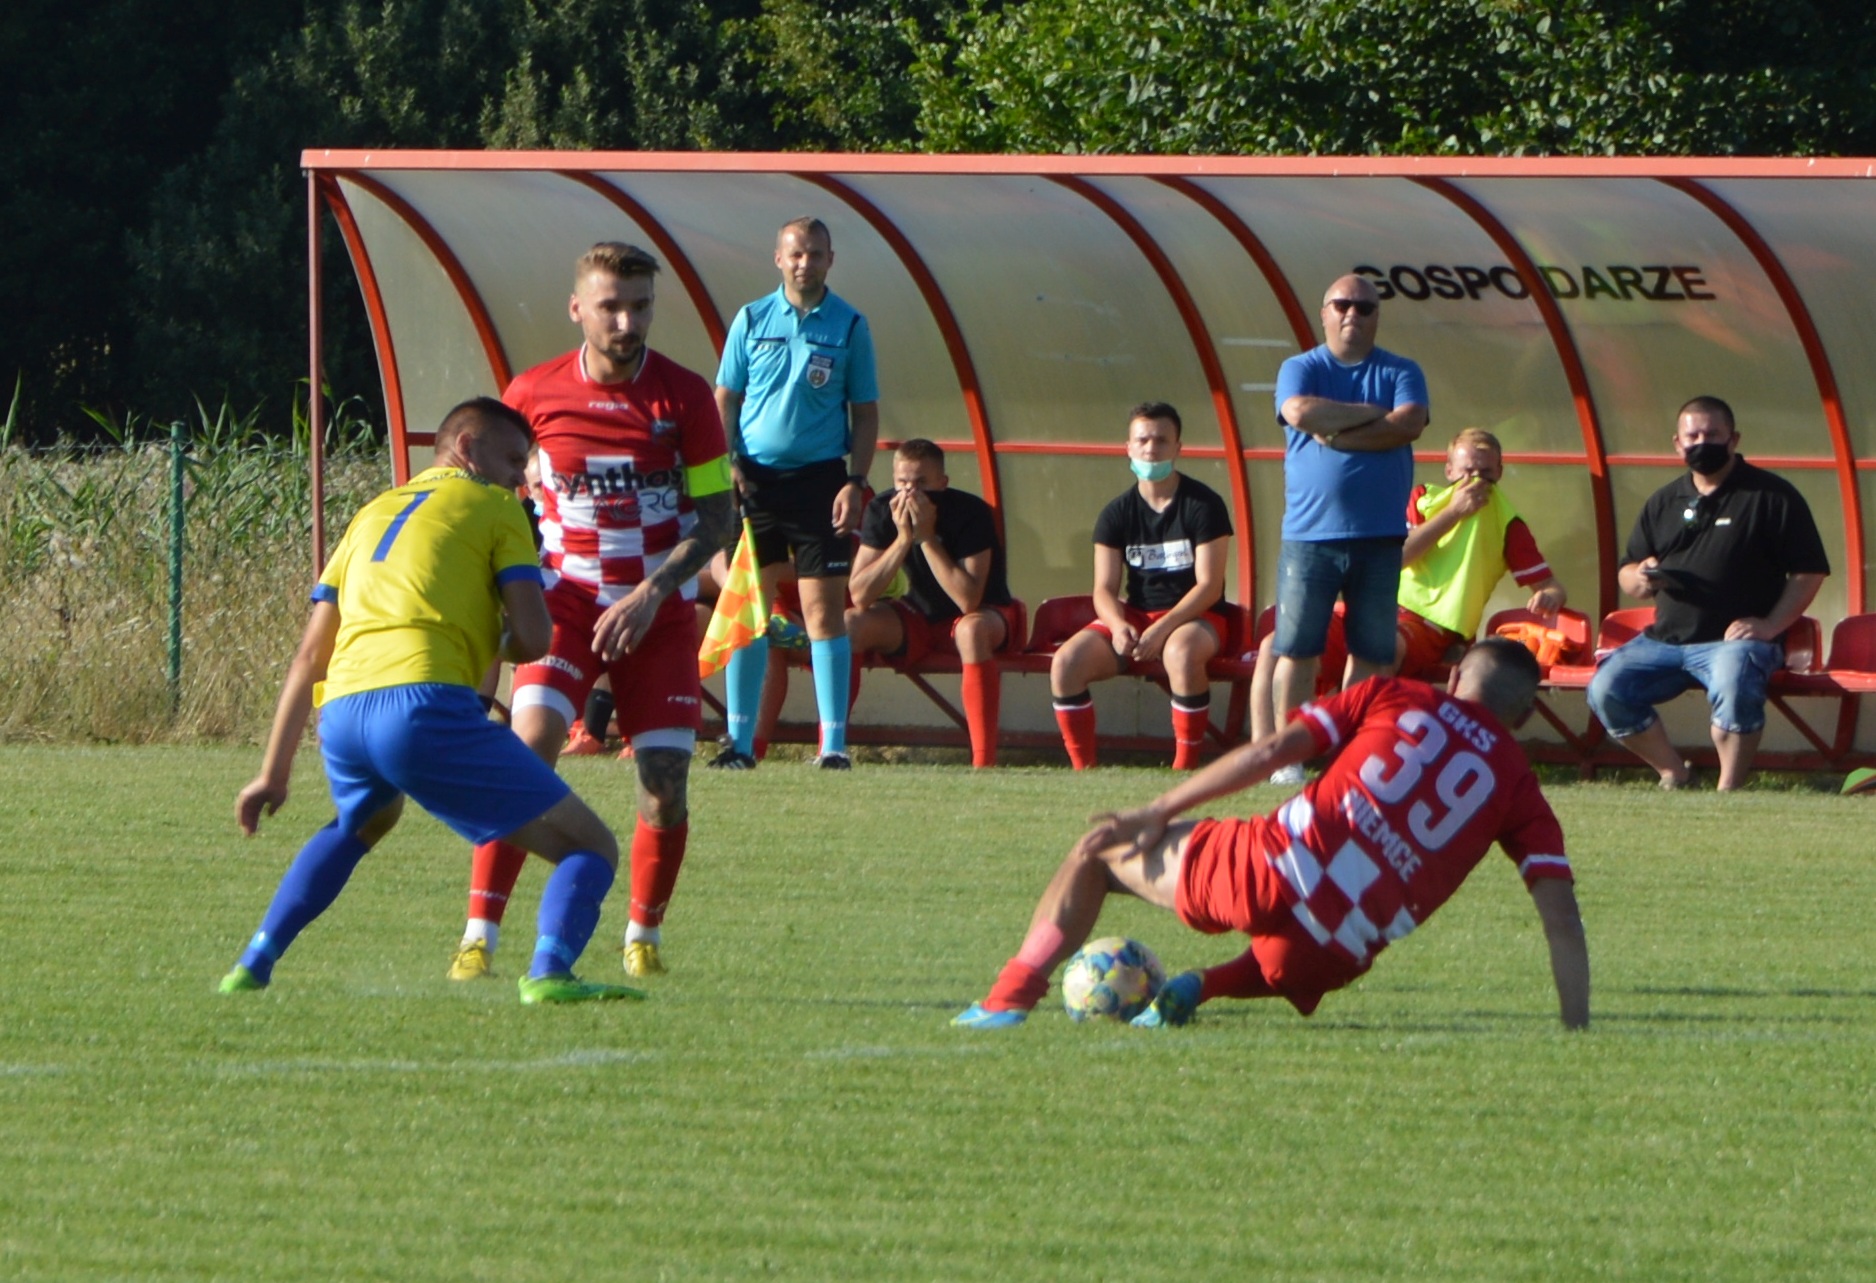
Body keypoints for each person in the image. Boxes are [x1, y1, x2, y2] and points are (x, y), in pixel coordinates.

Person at [220, 398, 641, 1005]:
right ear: (466, 447)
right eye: (513, 460)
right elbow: (533, 639)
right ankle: (550, 974)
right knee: (592, 846)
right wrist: (485, 630)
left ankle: (253, 962)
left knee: (364, 821)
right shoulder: (497, 508)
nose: (520, 480)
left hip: (341, 711)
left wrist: (272, 773)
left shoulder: (371, 514)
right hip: (420, 705)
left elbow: (310, 655)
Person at [954, 638, 1589, 1031]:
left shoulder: (1395, 694)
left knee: (1095, 857)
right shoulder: (1521, 790)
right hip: (1331, 951)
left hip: (1264, 868)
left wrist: (1159, 807)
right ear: (1524, 713)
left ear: (1454, 680)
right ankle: (1205, 985)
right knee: (1300, 947)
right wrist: (1576, 1028)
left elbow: (1272, 751)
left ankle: (1007, 999)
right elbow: (1561, 918)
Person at [449, 243, 738, 982]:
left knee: (664, 783)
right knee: (528, 747)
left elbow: (716, 519)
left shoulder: (685, 397)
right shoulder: (534, 392)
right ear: (577, 307)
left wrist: (650, 594)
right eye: (610, 305)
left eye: (640, 305)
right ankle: (479, 934)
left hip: (658, 610)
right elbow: (496, 495)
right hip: (567, 605)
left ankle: (642, 936)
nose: (626, 320)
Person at [1587, 396, 1828, 790]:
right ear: (1677, 444)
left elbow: (1810, 570)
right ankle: (1674, 773)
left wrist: (1770, 626)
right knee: (1606, 688)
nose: (1702, 442)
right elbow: (1627, 574)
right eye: (1693, 435)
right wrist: (1641, 577)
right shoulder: (1663, 501)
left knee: (1735, 683)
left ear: (1733, 439)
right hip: (1664, 641)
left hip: (1733, 643)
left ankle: (1727, 789)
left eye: (1712, 434)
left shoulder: (1771, 497)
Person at [712, 216, 880, 770]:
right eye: (796, 254)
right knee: (749, 610)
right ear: (778, 258)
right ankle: (738, 744)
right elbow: (726, 397)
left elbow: (864, 410)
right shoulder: (751, 317)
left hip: (821, 482)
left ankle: (833, 744)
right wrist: (728, 463)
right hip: (755, 481)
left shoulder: (851, 325)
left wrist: (855, 481)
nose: (805, 262)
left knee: (822, 613)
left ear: (831, 259)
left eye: (815, 253)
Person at [1268, 273, 1429, 773]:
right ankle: (1290, 756)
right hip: (1309, 536)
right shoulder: (1301, 367)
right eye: (1341, 305)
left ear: (1377, 316)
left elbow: (1409, 422)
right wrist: (1370, 416)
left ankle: (1350, 754)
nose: (1351, 315)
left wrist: (1337, 434)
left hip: (1380, 538)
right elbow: (1297, 410)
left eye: (1363, 307)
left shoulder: (1402, 369)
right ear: (1324, 312)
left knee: (1372, 650)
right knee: (1297, 648)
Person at [1049, 402, 1235, 771]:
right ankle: (1083, 770)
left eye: (1162, 440)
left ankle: (1184, 768)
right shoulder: (1116, 513)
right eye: (1143, 440)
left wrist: (1162, 630)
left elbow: (1210, 586)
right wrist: (1119, 627)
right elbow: (1103, 588)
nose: (1152, 448)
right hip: (1137, 615)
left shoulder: (1204, 505)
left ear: (1179, 448)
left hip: (1197, 617)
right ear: (1129, 448)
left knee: (1180, 653)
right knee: (1066, 663)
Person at [846, 438, 1019, 768]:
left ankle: (983, 761)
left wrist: (926, 537)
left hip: (987, 614)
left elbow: (968, 599)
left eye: (921, 483)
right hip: (920, 615)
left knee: (970, 630)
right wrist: (902, 541)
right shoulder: (884, 509)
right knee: (852, 623)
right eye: (902, 483)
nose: (910, 493)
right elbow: (860, 594)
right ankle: (832, 748)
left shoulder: (970, 512)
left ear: (943, 482)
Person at [1393, 428, 1565, 677]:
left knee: (1380, 646)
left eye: (1485, 474)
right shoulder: (1423, 498)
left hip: (1433, 626)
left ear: (1499, 473)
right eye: (1467, 472)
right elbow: (1399, 556)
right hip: (1385, 607)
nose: (1475, 481)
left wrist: (1550, 596)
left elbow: (1551, 586)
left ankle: (1367, 713)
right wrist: (1453, 512)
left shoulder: (1507, 522)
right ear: (1449, 470)